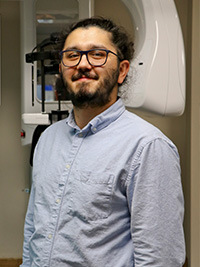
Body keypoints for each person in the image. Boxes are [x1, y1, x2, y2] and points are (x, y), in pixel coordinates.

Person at [21, 17, 185, 266]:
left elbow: (159, 258)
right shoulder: (47, 140)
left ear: (122, 70)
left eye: (97, 54)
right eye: (72, 55)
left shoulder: (147, 147)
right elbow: (34, 226)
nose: (83, 64)